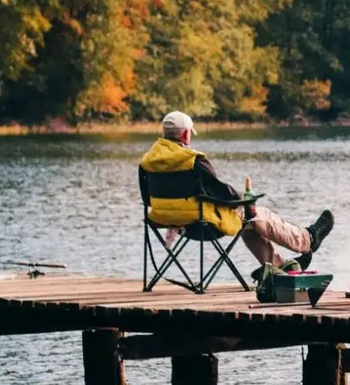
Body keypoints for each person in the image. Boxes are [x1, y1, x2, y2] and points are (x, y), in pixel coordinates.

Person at [140, 111, 333, 281]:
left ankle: (278, 267)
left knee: (249, 223)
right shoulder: (192, 160)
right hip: (202, 224)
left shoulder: (148, 161)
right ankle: (307, 239)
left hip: (167, 222)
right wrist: (243, 197)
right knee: (256, 215)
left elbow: (145, 198)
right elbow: (221, 192)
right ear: (185, 134)